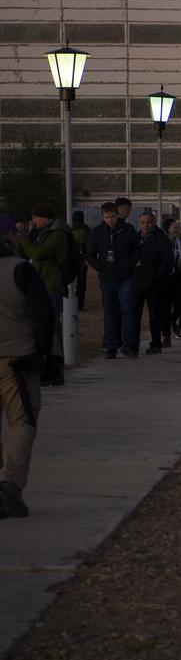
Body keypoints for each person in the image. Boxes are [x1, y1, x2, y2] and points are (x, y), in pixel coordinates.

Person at [0, 215, 54, 519]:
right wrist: (43, 354)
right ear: (9, 237)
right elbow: (44, 314)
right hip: (17, 362)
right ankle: (9, 485)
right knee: (22, 423)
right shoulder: (21, 270)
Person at [17, 204, 70, 384]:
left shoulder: (57, 235)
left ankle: (56, 369)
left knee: (52, 326)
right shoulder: (41, 234)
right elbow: (26, 253)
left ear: (44, 218)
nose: (33, 221)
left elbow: (38, 253)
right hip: (41, 283)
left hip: (52, 284)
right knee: (42, 326)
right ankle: (46, 368)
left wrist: (21, 238)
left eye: (35, 218)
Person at [86, 200, 140, 359]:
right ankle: (111, 345)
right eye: (107, 217)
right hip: (107, 278)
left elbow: (136, 251)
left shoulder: (128, 230)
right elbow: (90, 254)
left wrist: (128, 267)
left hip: (125, 277)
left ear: (118, 215)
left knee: (128, 311)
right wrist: (101, 267)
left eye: (114, 216)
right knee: (110, 313)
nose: (111, 220)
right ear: (103, 217)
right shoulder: (97, 232)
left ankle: (129, 345)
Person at [134, 211, 174, 355]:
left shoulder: (162, 240)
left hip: (155, 286)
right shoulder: (135, 239)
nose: (146, 225)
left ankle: (155, 343)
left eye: (149, 222)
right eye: (143, 222)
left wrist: (158, 276)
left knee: (155, 317)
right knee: (134, 317)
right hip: (138, 284)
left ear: (154, 222)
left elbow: (168, 261)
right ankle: (133, 344)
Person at [71, 210, 89, 311]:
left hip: (71, 259)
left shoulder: (70, 227)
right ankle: (79, 305)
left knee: (70, 282)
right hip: (82, 260)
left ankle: (68, 302)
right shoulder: (86, 229)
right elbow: (89, 245)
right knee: (81, 284)